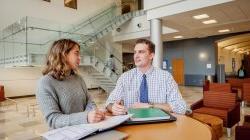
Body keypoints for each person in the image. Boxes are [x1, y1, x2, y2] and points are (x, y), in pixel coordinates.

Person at [106, 39, 187, 115]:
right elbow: (109, 102)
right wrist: (113, 107)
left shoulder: (166, 77)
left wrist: (150, 106)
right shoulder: (125, 77)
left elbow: (181, 107)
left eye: (141, 52)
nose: (136, 56)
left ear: (151, 55)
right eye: (135, 52)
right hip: (132, 124)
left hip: (158, 124)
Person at [36, 39, 105, 129]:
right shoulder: (45, 83)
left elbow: (90, 102)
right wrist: (86, 117)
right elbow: (53, 120)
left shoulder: (78, 78)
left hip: (84, 130)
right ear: (63, 55)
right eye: (76, 53)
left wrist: (93, 114)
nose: (80, 57)